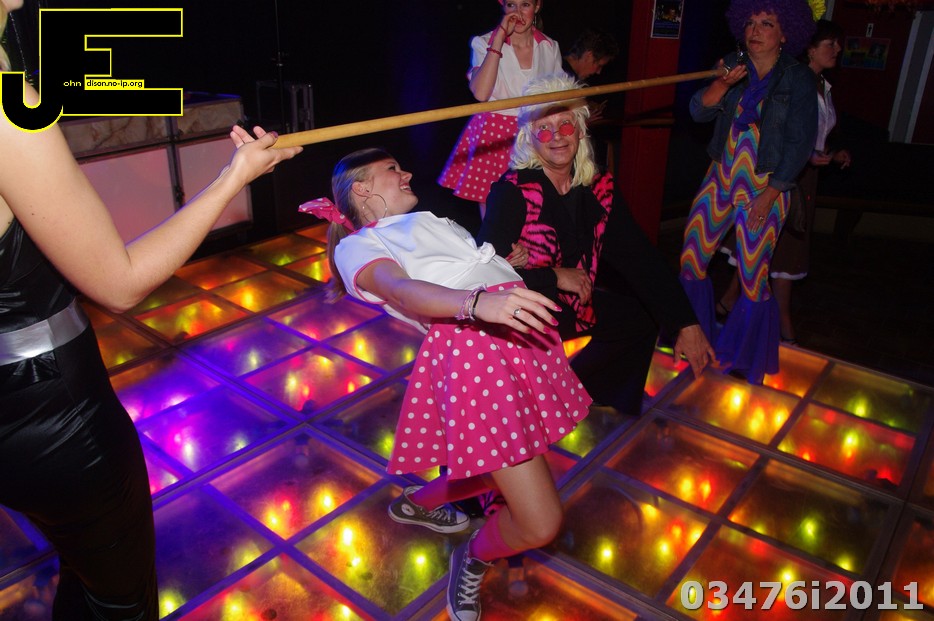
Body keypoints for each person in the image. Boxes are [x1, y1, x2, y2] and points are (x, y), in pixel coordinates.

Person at [0, 0, 302, 616]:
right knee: (120, 598)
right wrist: (234, 176)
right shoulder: (9, 110)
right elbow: (121, 283)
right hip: (49, 412)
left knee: (85, 573)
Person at [306, 147, 592, 621]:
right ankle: (473, 557)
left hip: (506, 341)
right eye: (392, 169)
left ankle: (417, 503)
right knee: (540, 523)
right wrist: (475, 303)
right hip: (476, 353)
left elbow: (463, 271)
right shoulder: (358, 244)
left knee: (489, 465)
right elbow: (402, 290)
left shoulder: (423, 223)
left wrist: (505, 267)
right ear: (362, 188)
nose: (407, 172)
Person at [478, 73, 716, 418]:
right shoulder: (512, 192)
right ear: (529, 138)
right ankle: (548, 396)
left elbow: (640, 257)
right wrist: (555, 275)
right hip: (524, 313)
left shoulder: (598, 188)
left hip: (574, 306)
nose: (556, 136)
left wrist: (685, 323)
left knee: (639, 319)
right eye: (544, 129)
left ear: (580, 129)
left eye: (565, 125)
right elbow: (483, 276)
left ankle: (582, 393)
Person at [678, 0, 817, 384]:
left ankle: (744, 361)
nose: (755, 30)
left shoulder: (798, 79)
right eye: (751, 22)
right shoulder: (731, 63)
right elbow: (698, 111)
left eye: (767, 23)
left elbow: (800, 144)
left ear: (785, 33)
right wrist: (722, 83)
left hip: (764, 187)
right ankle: (691, 341)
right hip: (720, 179)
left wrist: (771, 194)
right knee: (691, 260)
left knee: (754, 277)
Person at [717, 18, 852, 345]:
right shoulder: (791, 81)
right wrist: (805, 157)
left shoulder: (821, 86)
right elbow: (775, 132)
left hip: (805, 179)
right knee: (778, 252)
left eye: (838, 44)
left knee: (773, 251)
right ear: (810, 49)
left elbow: (811, 135)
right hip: (783, 175)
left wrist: (830, 154)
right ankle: (778, 329)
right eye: (830, 44)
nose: (837, 50)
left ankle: (735, 306)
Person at [437, 0, 564, 218]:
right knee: (494, 210)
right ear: (502, 6)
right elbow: (481, 93)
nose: (518, 13)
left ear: (537, 6)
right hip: (495, 131)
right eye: (511, 5)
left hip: (535, 132)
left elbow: (558, 97)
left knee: (534, 207)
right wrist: (498, 39)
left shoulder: (549, 47)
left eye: (525, 5)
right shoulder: (484, 42)